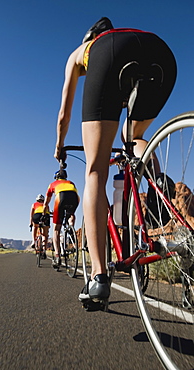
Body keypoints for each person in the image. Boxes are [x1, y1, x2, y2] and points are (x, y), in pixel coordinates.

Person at [53, 17, 177, 303]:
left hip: (111, 55)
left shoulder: (81, 52)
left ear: (89, 37)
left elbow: (64, 115)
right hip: (160, 52)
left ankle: (98, 276)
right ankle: (158, 179)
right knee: (130, 135)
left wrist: (59, 147)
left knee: (96, 171)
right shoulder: (127, 32)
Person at [43, 169, 79, 267]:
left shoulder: (52, 184)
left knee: (56, 229)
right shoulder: (71, 182)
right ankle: (71, 226)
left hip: (61, 197)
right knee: (71, 214)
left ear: (56, 177)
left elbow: (46, 202)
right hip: (74, 197)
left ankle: (58, 255)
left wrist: (44, 212)